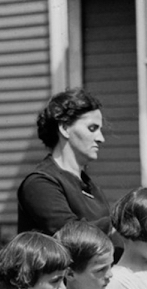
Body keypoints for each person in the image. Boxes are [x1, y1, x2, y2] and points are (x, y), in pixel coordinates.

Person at [17, 88, 111, 235]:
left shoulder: (90, 187)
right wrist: (120, 222)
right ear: (65, 128)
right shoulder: (40, 183)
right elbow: (70, 235)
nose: (101, 138)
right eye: (92, 128)